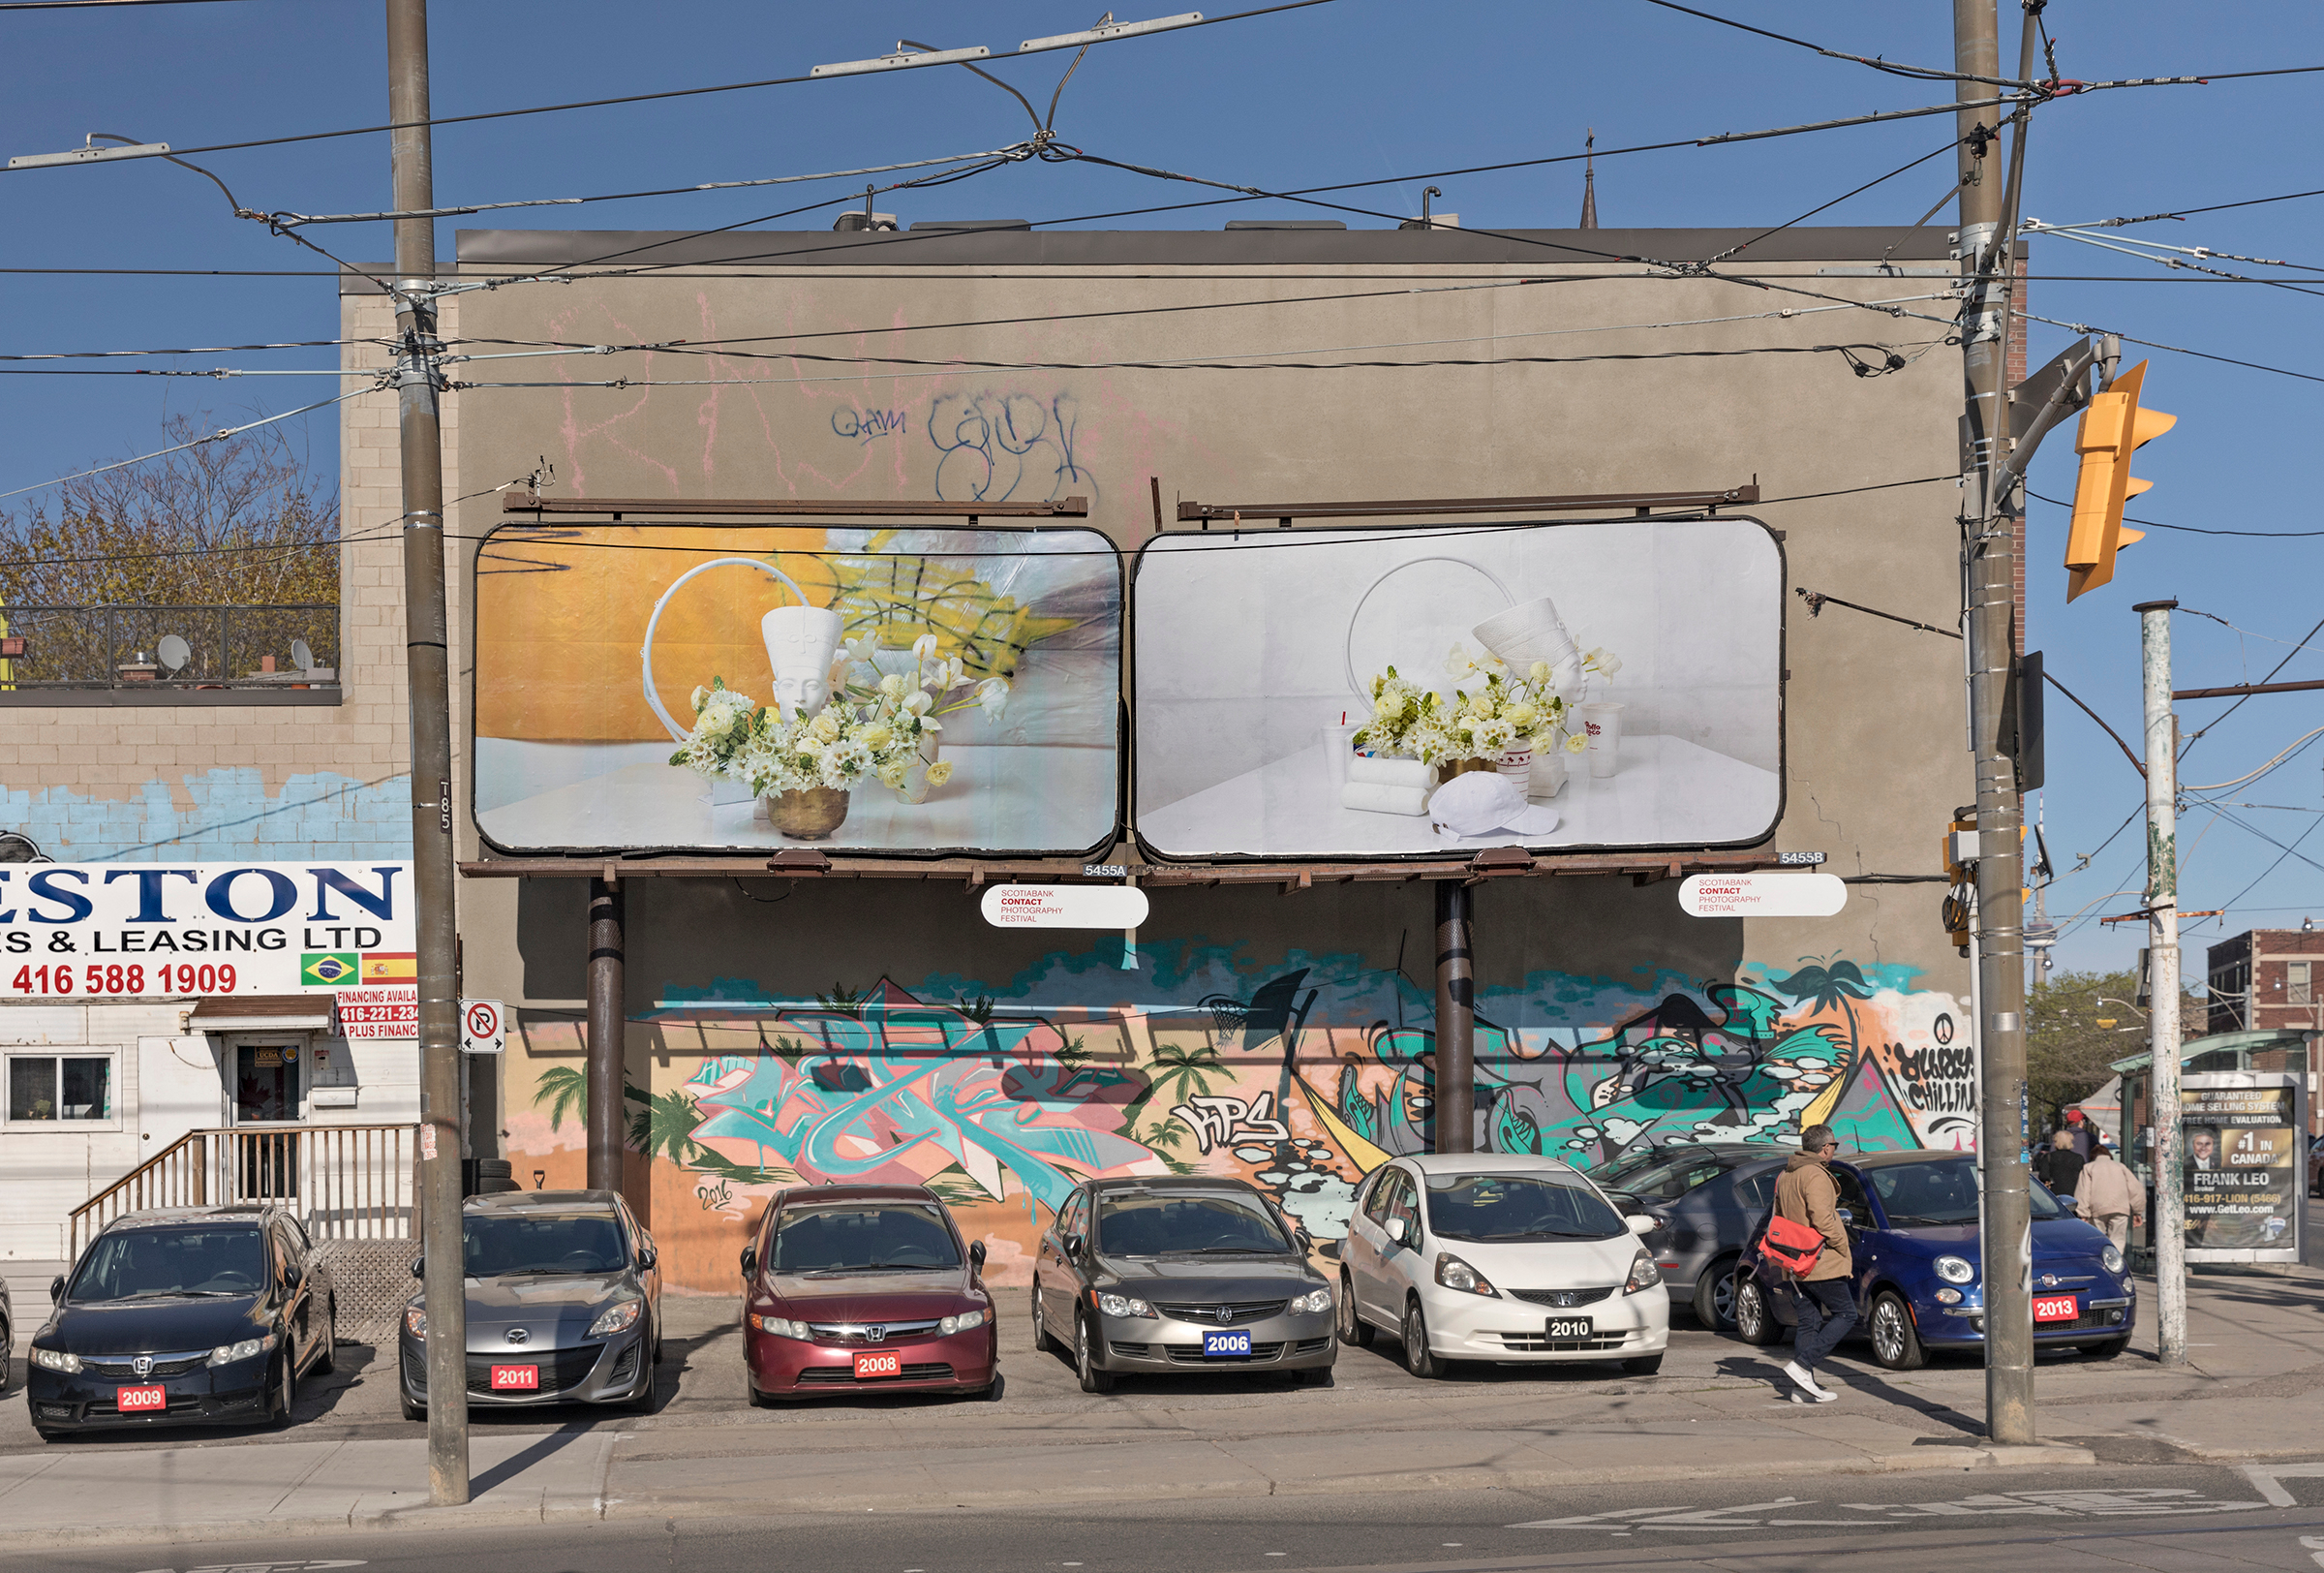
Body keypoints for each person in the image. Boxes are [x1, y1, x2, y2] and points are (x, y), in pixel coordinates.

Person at [1772, 1123, 1857, 1404]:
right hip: (1819, 1258)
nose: (1834, 1150)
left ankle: (1800, 1388)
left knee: (1808, 1321)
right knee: (1846, 1314)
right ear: (1824, 1149)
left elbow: (1779, 1214)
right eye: (1833, 1145)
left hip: (1793, 1258)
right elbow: (1822, 1219)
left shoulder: (1787, 1173)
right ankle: (1803, 1364)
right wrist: (1842, 1245)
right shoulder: (1816, 1175)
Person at [2075, 1143, 2147, 1250]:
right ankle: (2116, 1262)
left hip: (2097, 1208)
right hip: (2120, 1207)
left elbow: (2083, 1192)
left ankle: (2101, 1261)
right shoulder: (2121, 1167)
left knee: (2098, 1239)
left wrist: (2083, 1213)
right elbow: (2136, 1190)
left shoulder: (2088, 1168)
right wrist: (2137, 1211)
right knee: (2117, 1240)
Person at [2034, 1129, 2087, 1199]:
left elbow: (2043, 1175)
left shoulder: (2049, 1157)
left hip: (2055, 1191)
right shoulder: (2078, 1158)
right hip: (2074, 1192)